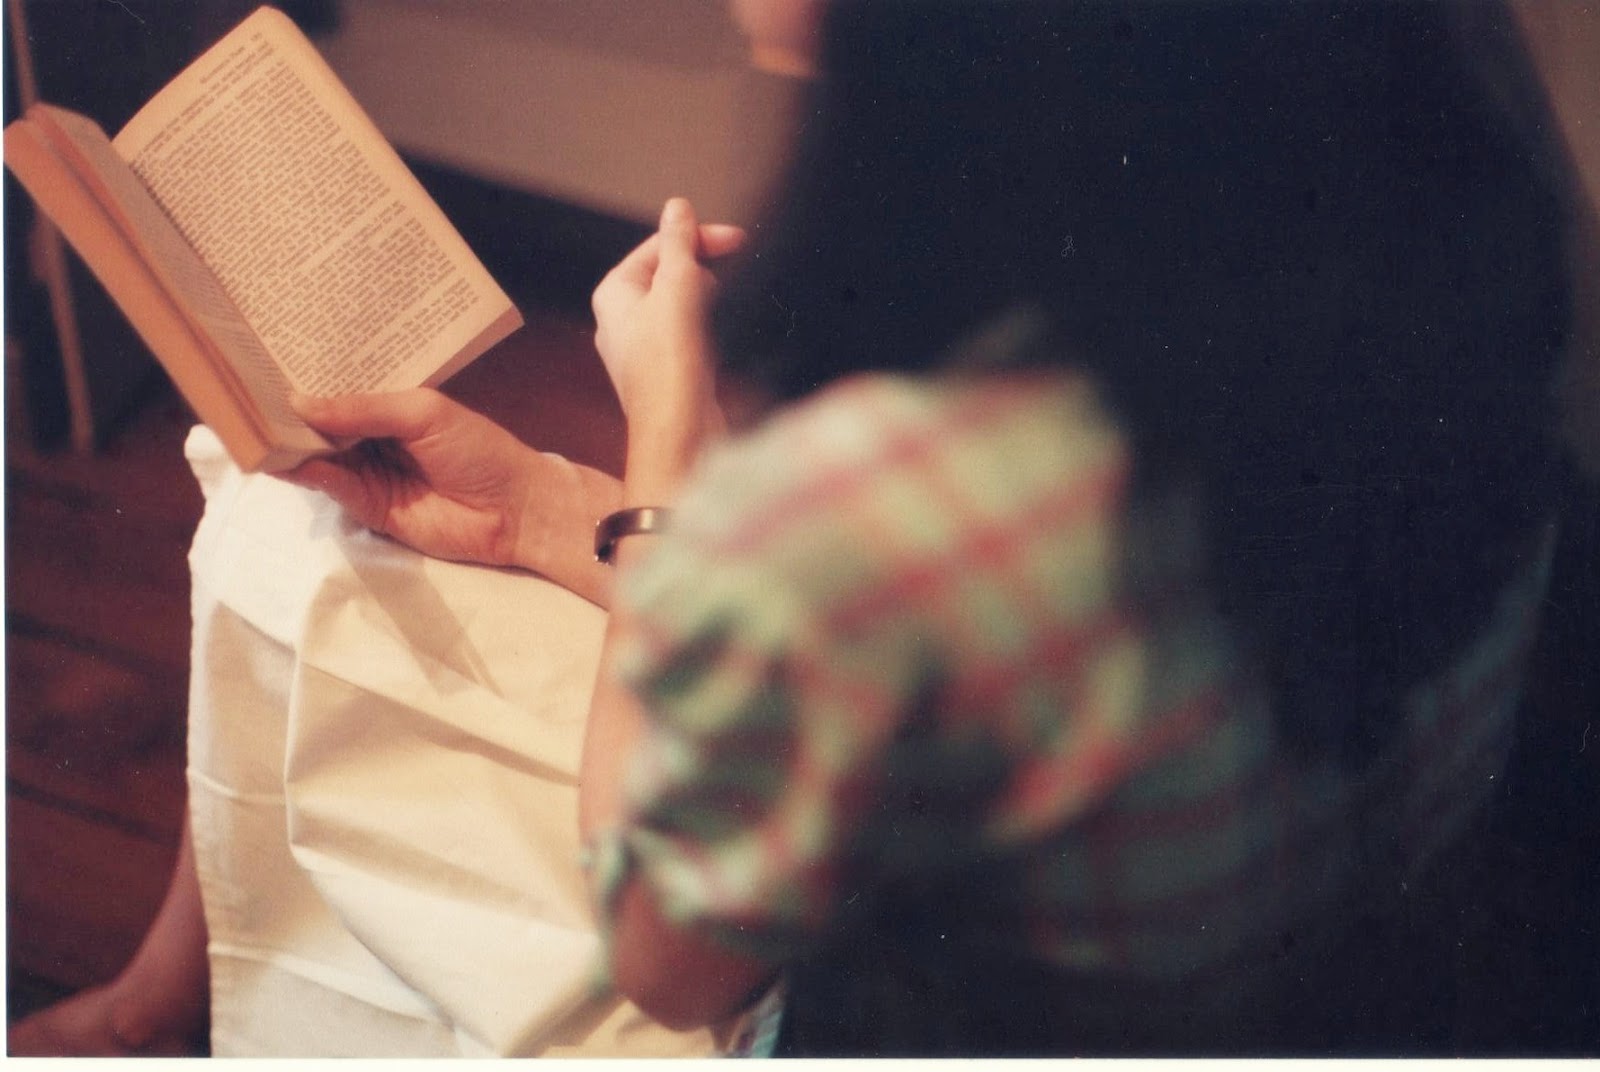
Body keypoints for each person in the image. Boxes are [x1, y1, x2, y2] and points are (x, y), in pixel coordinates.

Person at [12, 0, 1585, 1056]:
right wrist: (548, 510)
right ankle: (164, 994)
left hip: (863, 1018)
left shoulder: (885, 504)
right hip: (1277, 984)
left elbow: (667, 956)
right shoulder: (1467, 281)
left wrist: (668, 446)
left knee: (270, 529)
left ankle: (160, 1009)